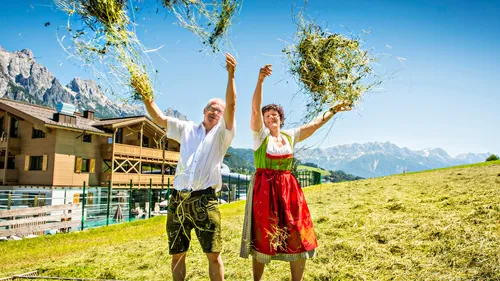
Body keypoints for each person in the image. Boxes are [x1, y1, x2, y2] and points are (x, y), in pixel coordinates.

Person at [240, 64, 352, 281]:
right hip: (265, 191)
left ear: (281, 118)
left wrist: (334, 110)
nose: (271, 117)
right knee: (264, 235)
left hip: (289, 190)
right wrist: (260, 80)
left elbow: (315, 124)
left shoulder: (290, 136)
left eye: (275, 114)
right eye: (267, 116)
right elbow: (255, 109)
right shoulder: (260, 136)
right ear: (263, 121)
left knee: (297, 232)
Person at [143, 53, 237, 281]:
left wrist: (231, 76)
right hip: (178, 200)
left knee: (213, 254)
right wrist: (145, 94)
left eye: (219, 111)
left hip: (205, 200)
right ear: (204, 111)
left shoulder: (223, 135)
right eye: (211, 108)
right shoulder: (186, 129)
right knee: (177, 254)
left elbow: (232, 106)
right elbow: (158, 117)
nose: (215, 112)